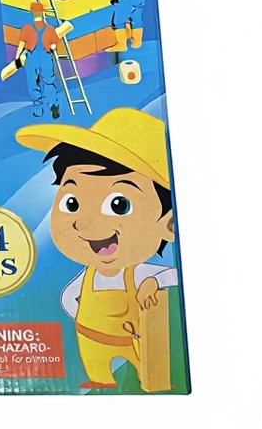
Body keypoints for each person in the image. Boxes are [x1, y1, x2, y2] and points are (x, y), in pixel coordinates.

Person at [15, 108, 178, 389]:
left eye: (119, 205)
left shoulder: (138, 273)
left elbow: (173, 276)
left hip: (132, 342)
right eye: (72, 203)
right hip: (91, 340)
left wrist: (153, 283)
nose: (86, 224)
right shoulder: (87, 276)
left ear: (169, 224)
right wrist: (81, 319)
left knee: (147, 375)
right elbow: (70, 298)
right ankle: (100, 379)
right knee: (98, 374)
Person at [13, 1, 62, 118]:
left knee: (32, 83)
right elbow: (54, 45)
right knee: (49, 82)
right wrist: (52, 47)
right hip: (45, 57)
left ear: (32, 13)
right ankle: (53, 104)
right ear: (42, 13)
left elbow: (21, 44)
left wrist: (17, 58)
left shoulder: (27, 28)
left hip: (32, 58)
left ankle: (38, 108)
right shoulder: (50, 29)